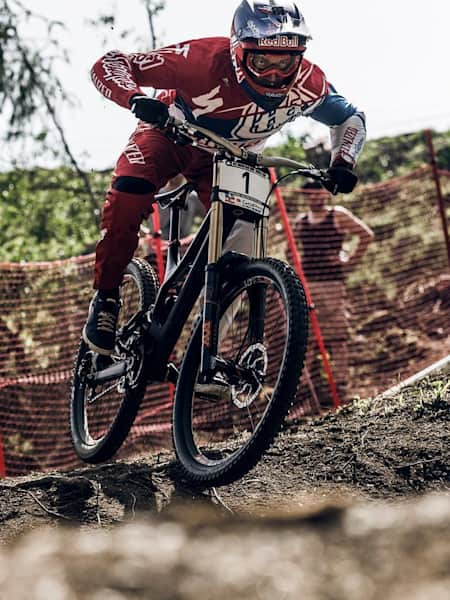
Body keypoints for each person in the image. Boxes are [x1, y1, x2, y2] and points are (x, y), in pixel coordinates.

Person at [83, 0, 366, 355]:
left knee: (244, 240)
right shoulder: (200, 60)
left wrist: (342, 162)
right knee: (130, 192)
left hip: (226, 158)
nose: (275, 75)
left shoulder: (309, 81)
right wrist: (135, 98)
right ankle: (106, 297)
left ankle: (209, 347)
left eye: (286, 62)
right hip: (170, 137)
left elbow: (350, 117)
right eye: (262, 61)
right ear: (237, 51)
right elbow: (110, 63)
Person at [292, 180, 374, 403]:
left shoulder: (337, 215)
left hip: (332, 285)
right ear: (306, 196)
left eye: (319, 193)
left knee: (337, 339)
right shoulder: (300, 222)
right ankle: (308, 394)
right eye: (310, 194)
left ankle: (342, 388)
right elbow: (291, 251)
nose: (315, 197)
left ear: (326, 194)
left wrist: (349, 262)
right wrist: (296, 272)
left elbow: (366, 235)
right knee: (307, 340)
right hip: (307, 286)